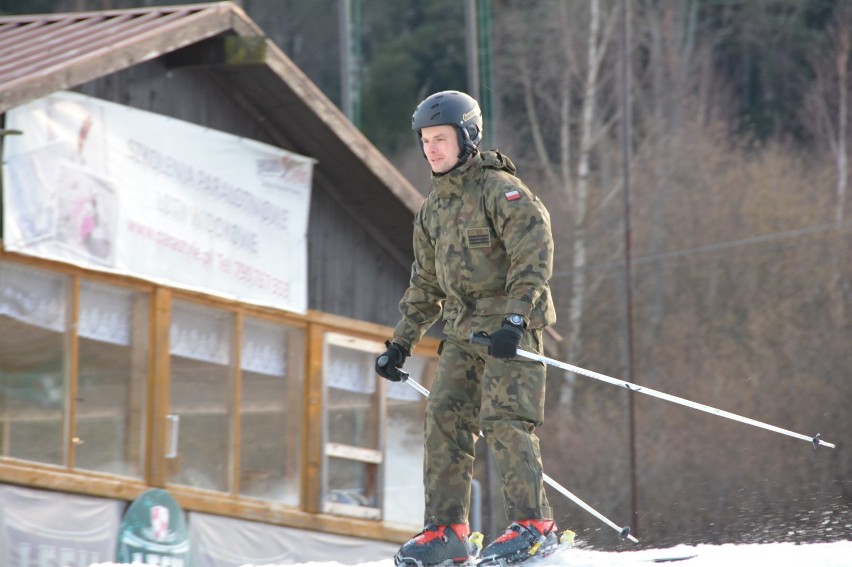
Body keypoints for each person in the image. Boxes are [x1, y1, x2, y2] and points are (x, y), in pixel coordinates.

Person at [376, 90, 559, 567]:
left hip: (507, 331)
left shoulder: (501, 191)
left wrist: (517, 317)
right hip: (461, 332)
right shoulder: (432, 211)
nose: (432, 149)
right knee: (444, 419)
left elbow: (534, 253)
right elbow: (425, 284)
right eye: (426, 141)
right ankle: (447, 529)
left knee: (505, 419)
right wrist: (401, 342)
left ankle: (535, 524)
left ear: (467, 138)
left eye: (441, 139)